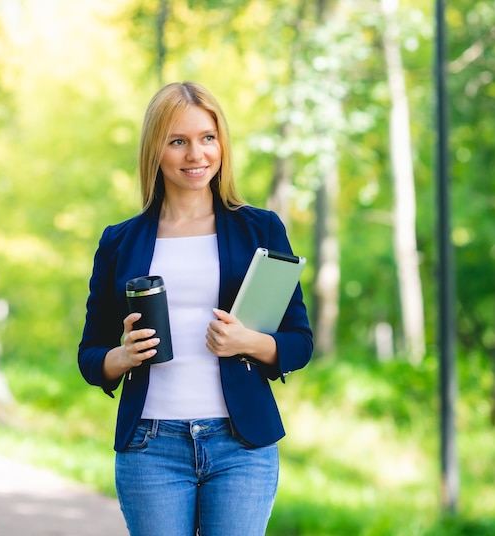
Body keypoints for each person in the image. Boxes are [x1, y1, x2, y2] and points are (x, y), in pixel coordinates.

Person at [78, 81, 313, 536]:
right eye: (178, 141)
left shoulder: (260, 229)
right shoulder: (120, 241)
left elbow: (299, 342)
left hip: (240, 446)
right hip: (151, 447)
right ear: (156, 150)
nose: (196, 154)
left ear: (222, 143)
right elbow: (90, 355)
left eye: (207, 138)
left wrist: (250, 342)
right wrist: (120, 357)